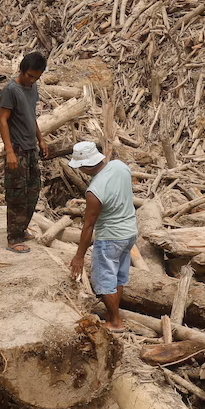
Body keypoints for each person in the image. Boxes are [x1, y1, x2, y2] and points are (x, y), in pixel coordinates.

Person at [67, 140, 138, 331]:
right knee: (118, 276)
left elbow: (89, 226)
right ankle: (113, 314)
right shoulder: (120, 167)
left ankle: (115, 322)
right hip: (129, 231)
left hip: (110, 236)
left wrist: (79, 256)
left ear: (84, 167)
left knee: (105, 278)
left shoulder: (94, 192)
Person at [0, 51, 48, 253]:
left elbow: (31, 116)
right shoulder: (10, 90)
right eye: (29, 76)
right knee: (17, 194)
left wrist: (41, 139)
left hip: (31, 147)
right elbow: (2, 120)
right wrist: (9, 151)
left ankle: (22, 228)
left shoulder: (32, 88)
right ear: (22, 70)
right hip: (17, 148)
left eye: (36, 77)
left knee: (33, 190)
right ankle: (13, 238)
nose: (32, 80)